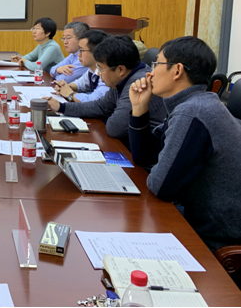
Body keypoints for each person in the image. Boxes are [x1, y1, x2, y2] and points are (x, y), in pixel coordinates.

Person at [128, 36, 241, 251]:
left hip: (216, 238)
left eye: (157, 64)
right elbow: (146, 156)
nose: (149, 73)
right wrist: (139, 109)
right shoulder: (196, 103)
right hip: (203, 220)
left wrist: (159, 169)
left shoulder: (193, 111)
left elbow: (161, 187)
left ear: (177, 70)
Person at [46, 35, 166, 145]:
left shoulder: (138, 83)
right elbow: (101, 106)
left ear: (120, 70)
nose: (98, 73)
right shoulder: (122, 78)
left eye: (100, 68)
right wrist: (61, 107)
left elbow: (115, 128)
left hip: (146, 151)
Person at [53, 30, 110, 103]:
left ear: (96, 52)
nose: (78, 54)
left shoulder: (107, 72)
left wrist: (70, 94)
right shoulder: (91, 69)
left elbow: (95, 100)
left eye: (81, 50)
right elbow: (80, 84)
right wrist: (65, 87)